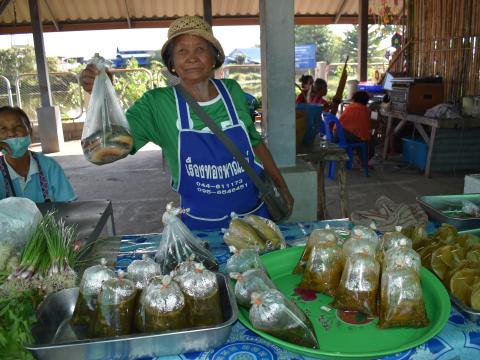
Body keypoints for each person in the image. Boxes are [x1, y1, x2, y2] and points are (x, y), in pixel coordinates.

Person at [80, 16, 294, 230]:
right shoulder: (156, 104)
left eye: (200, 49)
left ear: (214, 58)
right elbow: (105, 152)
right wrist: (100, 93)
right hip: (201, 230)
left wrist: (282, 185)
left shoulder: (233, 92)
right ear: (172, 63)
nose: (191, 57)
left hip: (256, 220)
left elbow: (255, 143)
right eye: (182, 51)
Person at [0, 106, 77, 203]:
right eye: (3, 129)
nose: (11, 133)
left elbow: (68, 207)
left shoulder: (49, 167)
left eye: (18, 127)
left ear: (30, 132)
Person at [337, 90, 375, 160]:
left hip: (337, 134)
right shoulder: (365, 110)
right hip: (346, 136)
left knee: (359, 136)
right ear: (366, 101)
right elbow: (367, 128)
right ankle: (363, 161)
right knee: (367, 141)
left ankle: (356, 159)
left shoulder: (349, 107)